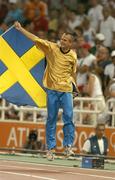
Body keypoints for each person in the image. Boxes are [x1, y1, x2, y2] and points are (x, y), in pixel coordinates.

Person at [14, 21, 77, 161]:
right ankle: (50, 149)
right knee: (51, 119)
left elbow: (73, 73)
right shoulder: (51, 48)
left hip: (66, 90)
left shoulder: (73, 56)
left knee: (69, 117)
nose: (62, 41)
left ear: (71, 43)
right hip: (52, 90)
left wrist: (75, 87)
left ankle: (68, 147)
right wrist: (20, 29)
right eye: (62, 39)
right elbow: (36, 39)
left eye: (65, 40)